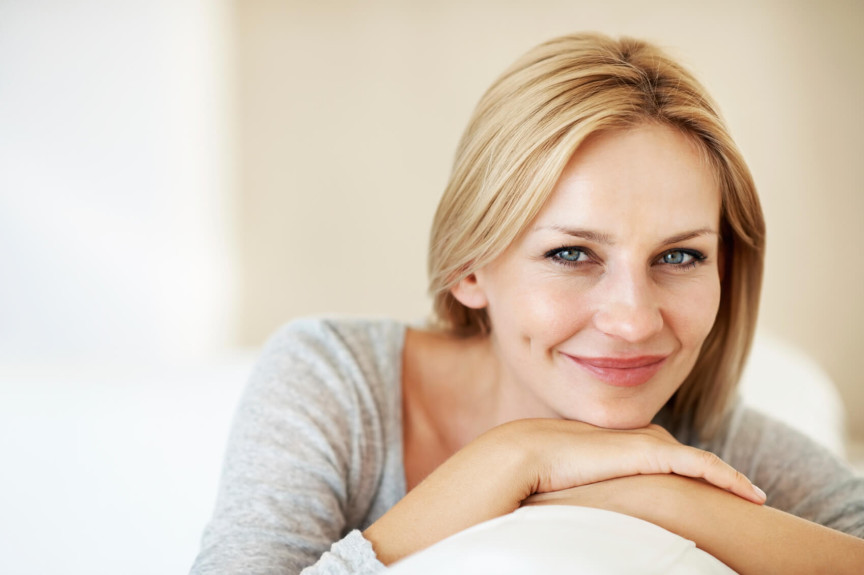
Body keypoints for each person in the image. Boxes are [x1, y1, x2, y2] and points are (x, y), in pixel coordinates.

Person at [190, 33, 864, 575]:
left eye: (680, 256)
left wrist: (661, 496)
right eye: (572, 254)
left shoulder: (706, 439)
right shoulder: (337, 385)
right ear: (469, 267)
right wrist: (511, 459)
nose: (633, 320)